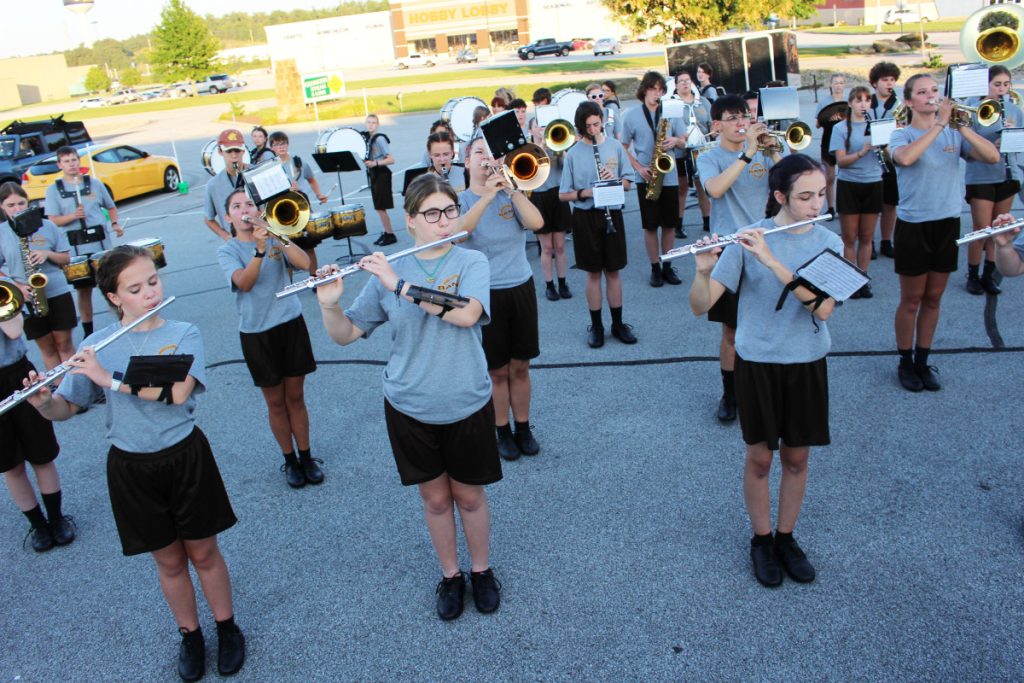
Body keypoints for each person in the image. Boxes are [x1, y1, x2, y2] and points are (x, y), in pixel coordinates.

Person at [27, 245, 245, 681]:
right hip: (130, 466)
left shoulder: (183, 333)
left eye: (152, 282)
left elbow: (178, 393)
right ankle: (190, 635)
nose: (149, 292)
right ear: (113, 297)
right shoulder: (95, 346)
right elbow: (69, 408)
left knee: (203, 552)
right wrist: (43, 403)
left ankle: (226, 628)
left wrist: (110, 379)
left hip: (184, 456)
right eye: (135, 288)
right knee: (167, 561)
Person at [316, 174, 504, 622]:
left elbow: (467, 315)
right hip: (409, 404)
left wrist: (400, 285)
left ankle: (481, 570)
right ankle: (451, 575)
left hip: (466, 398)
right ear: (410, 221)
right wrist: (329, 304)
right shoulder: (387, 273)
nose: (444, 221)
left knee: (470, 497)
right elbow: (346, 335)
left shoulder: (471, 260)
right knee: (436, 499)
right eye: (432, 214)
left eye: (450, 211)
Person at [688, 154, 843, 588]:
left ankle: (787, 537)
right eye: (805, 196)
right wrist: (703, 271)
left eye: (821, 195)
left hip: (806, 361)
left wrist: (773, 260)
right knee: (760, 458)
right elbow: (701, 305)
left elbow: (825, 308)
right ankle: (761, 540)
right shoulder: (745, 240)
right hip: (757, 362)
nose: (816, 204)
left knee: (797, 457)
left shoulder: (829, 243)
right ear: (779, 197)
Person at [889, 74, 999, 392]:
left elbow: (992, 158)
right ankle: (905, 361)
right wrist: (939, 124)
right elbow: (907, 158)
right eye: (922, 92)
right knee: (911, 299)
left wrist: (961, 126)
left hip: (947, 223)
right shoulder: (901, 135)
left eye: (935, 91)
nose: (931, 96)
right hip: (914, 225)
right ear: (909, 101)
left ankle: (923, 361)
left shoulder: (953, 133)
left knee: (934, 298)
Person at [216, 189, 323, 489]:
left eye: (248, 203)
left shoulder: (274, 234)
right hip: (256, 333)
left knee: (296, 398)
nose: (244, 209)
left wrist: (277, 234)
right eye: (236, 206)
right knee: (275, 403)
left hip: (289, 324)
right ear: (228, 217)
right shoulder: (227, 251)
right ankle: (289, 459)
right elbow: (244, 283)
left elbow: (304, 265)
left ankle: (306, 456)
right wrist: (259, 251)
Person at [697, 94, 782, 423]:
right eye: (733, 118)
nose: (741, 123)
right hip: (727, 249)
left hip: (762, 246)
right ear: (717, 125)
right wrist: (747, 153)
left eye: (744, 116)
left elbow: (790, 183)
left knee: (766, 325)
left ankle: (764, 388)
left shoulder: (762, 151)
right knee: (731, 330)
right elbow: (715, 190)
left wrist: (775, 152)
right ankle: (730, 394)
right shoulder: (710, 157)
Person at [459, 134, 545, 461]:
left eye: (490, 152)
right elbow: (461, 232)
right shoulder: (462, 200)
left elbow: (537, 223)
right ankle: (502, 430)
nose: (485, 158)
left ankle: (524, 427)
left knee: (520, 366)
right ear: (466, 161)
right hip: (485, 293)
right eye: (478, 152)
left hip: (520, 286)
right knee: (497, 370)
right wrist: (485, 196)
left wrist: (510, 189)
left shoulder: (511, 193)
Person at [0, 277, 74, 552]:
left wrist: (12, 292)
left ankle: (56, 519)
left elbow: (13, 330)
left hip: (17, 374)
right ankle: (38, 524)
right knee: (10, 464)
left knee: (41, 454)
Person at [558, 101, 636, 348]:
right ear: (581, 126)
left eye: (596, 123)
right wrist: (587, 192)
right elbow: (563, 194)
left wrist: (613, 180)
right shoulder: (573, 153)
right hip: (586, 217)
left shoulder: (614, 146)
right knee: (593, 273)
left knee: (613, 272)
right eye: (588, 125)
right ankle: (597, 326)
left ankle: (618, 323)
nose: (594, 129)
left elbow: (628, 183)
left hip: (611, 213)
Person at [44, 146, 123, 338]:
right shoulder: (54, 190)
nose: (71, 164)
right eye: (66, 161)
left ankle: (123, 322)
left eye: (74, 160)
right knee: (84, 290)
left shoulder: (95, 184)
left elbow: (111, 207)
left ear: (79, 161)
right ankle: (89, 332)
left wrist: (114, 223)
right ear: (59, 165)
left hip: (100, 244)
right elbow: (52, 219)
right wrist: (71, 216)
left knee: (111, 286)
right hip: (75, 247)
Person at [621, 71, 687, 288]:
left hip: (668, 176)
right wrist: (638, 167)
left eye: (660, 90)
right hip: (646, 176)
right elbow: (622, 148)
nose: (657, 93)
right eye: (653, 89)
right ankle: (655, 268)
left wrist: (676, 140)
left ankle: (668, 265)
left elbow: (685, 140)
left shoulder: (671, 111)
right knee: (650, 226)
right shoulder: (631, 115)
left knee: (669, 224)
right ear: (644, 90)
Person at [0, 183, 76, 368]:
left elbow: (66, 258)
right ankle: (58, 392)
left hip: (56, 291)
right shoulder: (1, 232)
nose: (17, 209)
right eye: (11, 205)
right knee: (47, 348)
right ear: (2, 206)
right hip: (26, 296)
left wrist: (47, 254)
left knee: (64, 344)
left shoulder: (48, 226)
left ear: (28, 202)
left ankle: (77, 388)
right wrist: (16, 287)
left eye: (21, 203)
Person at [963, 65, 1022, 296]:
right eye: (997, 84)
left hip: (1006, 175)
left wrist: (1012, 136)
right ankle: (973, 274)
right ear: (986, 85)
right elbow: (965, 145)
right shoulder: (973, 108)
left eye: (1006, 84)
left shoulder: (1013, 109)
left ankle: (989, 274)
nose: (1002, 89)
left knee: (1000, 229)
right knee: (982, 230)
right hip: (981, 175)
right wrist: (991, 146)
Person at [830, 86, 882, 298]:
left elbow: (892, 158)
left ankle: (862, 278)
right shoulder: (841, 128)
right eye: (858, 100)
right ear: (850, 103)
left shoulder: (877, 126)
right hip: (850, 184)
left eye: (867, 100)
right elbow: (841, 161)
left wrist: (884, 148)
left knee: (867, 236)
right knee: (850, 237)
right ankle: (849, 279)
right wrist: (862, 151)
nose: (863, 105)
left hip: (873, 183)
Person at [267, 130, 329, 273]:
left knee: (309, 246)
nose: (281, 147)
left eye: (283, 143)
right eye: (276, 145)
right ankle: (289, 283)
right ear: (271, 148)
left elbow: (311, 179)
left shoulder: (298, 162)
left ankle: (314, 276)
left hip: (301, 208)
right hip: (283, 212)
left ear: (287, 144)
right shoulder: (271, 167)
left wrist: (318, 194)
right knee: (287, 249)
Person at [527, 115, 572, 302]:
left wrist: (560, 150)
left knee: (560, 246)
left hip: (557, 194)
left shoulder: (556, 145)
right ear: (531, 131)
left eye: (544, 126)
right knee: (546, 247)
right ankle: (549, 284)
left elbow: (567, 167)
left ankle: (562, 282)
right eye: (538, 126)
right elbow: (528, 175)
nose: (541, 129)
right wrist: (541, 151)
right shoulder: (527, 150)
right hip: (539, 197)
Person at [673, 69, 712, 237]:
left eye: (687, 80)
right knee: (682, 188)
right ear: (676, 85)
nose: (685, 83)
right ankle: (678, 224)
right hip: (682, 152)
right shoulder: (673, 104)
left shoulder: (703, 102)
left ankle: (707, 221)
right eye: (681, 81)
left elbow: (711, 124)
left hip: (702, 150)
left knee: (702, 186)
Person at [869, 61, 902, 258]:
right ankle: (869, 241)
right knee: (873, 206)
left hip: (890, 160)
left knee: (890, 204)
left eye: (892, 80)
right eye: (884, 80)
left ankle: (886, 241)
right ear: (874, 83)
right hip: (870, 159)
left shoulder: (899, 105)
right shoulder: (866, 101)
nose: (889, 84)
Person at [203, 128, 249, 241]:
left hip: (262, 235)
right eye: (229, 151)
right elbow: (208, 218)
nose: (234, 155)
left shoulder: (258, 173)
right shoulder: (213, 185)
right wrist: (225, 235)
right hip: (236, 240)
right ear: (220, 152)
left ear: (243, 151)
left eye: (237, 150)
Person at [814, 73, 848, 219]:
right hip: (828, 141)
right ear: (830, 85)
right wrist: (829, 118)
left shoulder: (849, 102)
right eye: (835, 83)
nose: (838, 85)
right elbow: (817, 124)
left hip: (846, 142)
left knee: (846, 175)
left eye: (841, 83)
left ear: (844, 85)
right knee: (830, 177)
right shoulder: (823, 102)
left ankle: (845, 205)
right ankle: (830, 208)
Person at [365, 114, 398, 246]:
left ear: (377, 125)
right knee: (378, 207)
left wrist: (375, 163)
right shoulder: (369, 139)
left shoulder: (379, 139)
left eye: (373, 122)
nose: (371, 125)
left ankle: (390, 234)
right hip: (374, 173)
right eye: (368, 122)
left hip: (381, 173)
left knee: (381, 207)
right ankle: (385, 232)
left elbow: (391, 159)